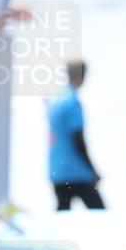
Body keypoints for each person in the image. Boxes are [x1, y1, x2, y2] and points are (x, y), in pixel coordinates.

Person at [47, 59, 105, 211]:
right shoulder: (73, 102)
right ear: (82, 76)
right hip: (77, 171)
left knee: (62, 215)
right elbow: (78, 139)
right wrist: (92, 169)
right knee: (100, 213)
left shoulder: (56, 98)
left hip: (57, 170)